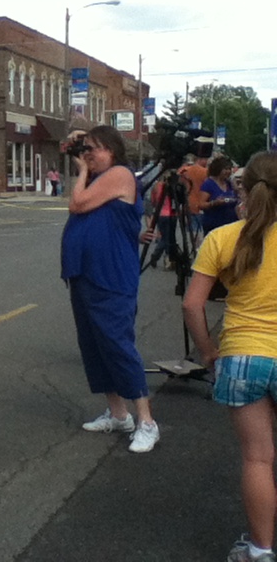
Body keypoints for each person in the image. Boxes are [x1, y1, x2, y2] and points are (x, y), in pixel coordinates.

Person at [183, 151, 277, 562]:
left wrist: (208, 351)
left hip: (242, 356)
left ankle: (260, 550)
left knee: (257, 457)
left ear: (245, 189)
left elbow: (192, 304)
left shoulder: (223, 238)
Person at [61, 125, 159, 453]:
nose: (88, 154)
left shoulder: (119, 174)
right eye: (86, 149)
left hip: (111, 276)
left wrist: (82, 171)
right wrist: (80, 152)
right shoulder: (97, 179)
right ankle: (119, 414)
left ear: (113, 150)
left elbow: (77, 203)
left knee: (118, 345)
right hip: (85, 274)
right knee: (94, 345)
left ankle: (146, 421)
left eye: (95, 148)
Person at [199, 155, 240, 235]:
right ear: (218, 169)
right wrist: (214, 203)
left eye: (229, 169)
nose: (228, 171)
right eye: (226, 169)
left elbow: (238, 197)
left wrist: (236, 188)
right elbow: (201, 204)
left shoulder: (229, 183)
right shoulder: (208, 184)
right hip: (214, 225)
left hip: (231, 224)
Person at [147, 170, 177, 270]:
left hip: (160, 213)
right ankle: (161, 257)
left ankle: (158, 257)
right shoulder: (173, 187)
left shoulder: (156, 186)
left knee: (165, 237)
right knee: (167, 238)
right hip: (171, 213)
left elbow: (153, 200)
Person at [179, 153, 210, 238]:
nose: (207, 162)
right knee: (201, 232)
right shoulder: (205, 172)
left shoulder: (184, 171)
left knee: (192, 231)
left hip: (188, 203)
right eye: (206, 159)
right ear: (201, 159)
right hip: (201, 204)